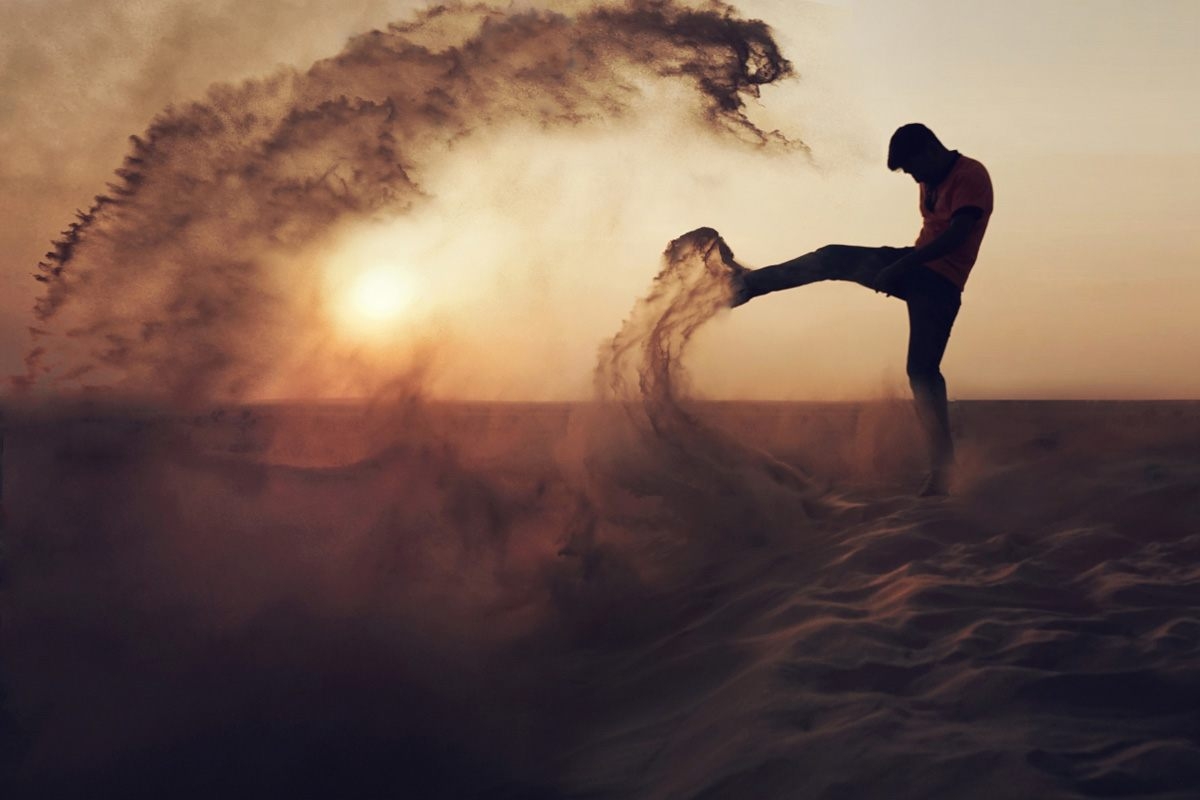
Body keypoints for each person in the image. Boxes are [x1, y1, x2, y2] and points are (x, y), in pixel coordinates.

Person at [730, 123, 993, 496]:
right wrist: (904, 265)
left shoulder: (971, 174)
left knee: (921, 370)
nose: (913, 176)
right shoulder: (929, 178)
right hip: (916, 268)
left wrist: (900, 268)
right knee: (833, 258)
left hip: (938, 283)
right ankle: (746, 285)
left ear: (931, 149)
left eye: (913, 167)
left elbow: (958, 235)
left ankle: (943, 467)